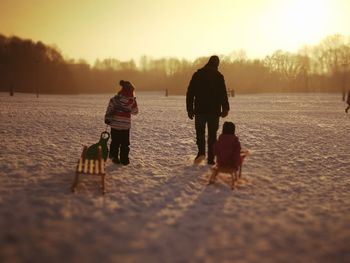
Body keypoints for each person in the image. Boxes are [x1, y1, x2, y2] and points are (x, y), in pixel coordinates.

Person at [186, 55, 230, 165]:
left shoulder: (197, 74)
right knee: (212, 135)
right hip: (214, 111)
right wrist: (225, 108)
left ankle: (201, 153)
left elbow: (190, 93)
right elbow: (223, 94)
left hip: (200, 110)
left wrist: (189, 109)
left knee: (200, 133)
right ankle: (211, 158)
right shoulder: (219, 76)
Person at [105, 80, 138, 165]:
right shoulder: (132, 101)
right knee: (125, 144)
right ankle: (124, 160)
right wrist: (134, 102)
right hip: (125, 126)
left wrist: (107, 118)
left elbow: (109, 110)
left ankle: (114, 157)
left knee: (115, 142)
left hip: (115, 125)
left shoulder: (114, 99)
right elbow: (135, 112)